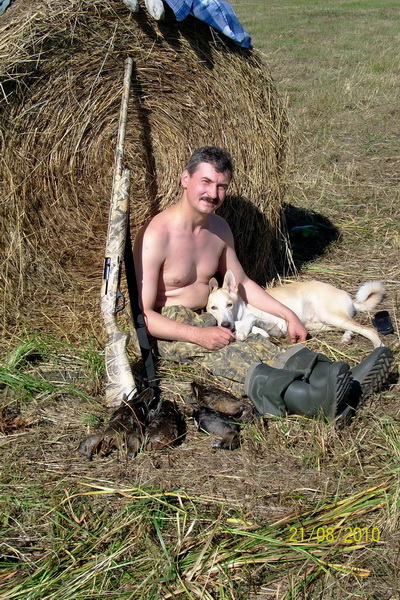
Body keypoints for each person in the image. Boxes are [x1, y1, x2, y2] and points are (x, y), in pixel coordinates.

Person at [133, 146, 393, 423]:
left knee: (261, 342)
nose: (213, 193)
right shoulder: (156, 236)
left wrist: (288, 315)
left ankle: (338, 378)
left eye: (222, 186)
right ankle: (312, 399)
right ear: (185, 178)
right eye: (206, 182)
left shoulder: (218, 229)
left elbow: (243, 282)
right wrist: (197, 335)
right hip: (174, 323)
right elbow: (143, 315)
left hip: (214, 313)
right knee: (234, 357)